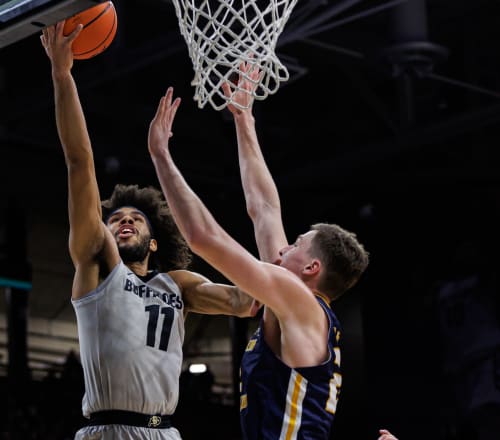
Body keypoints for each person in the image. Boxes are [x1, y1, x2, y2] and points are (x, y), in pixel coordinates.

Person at [39, 21, 258, 440]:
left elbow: (244, 299)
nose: (124, 220)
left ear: (153, 241)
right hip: (107, 429)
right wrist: (62, 76)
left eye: (135, 219)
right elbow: (79, 163)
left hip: (165, 432)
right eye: (115, 218)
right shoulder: (98, 266)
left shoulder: (177, 285)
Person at [147, 75, 369, 440]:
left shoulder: (298, 301)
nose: (283, 248)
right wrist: (243, 117)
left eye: (296, 245)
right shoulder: (294, 305)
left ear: (312, 268)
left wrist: (161, 157)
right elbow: (264, 209)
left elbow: (204, 238)